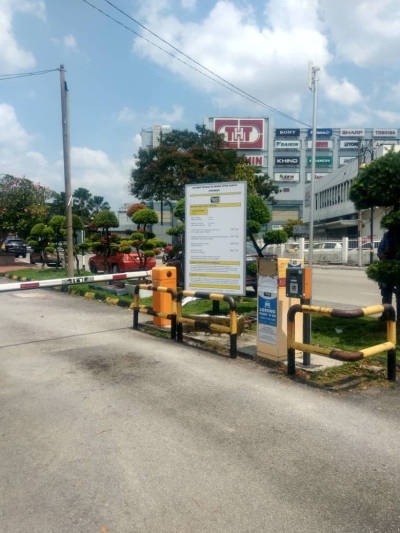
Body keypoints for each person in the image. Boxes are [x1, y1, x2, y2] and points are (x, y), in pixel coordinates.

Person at [377, 229, 399, 320]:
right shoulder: (387, 235)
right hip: (387, 268)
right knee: (385, 293)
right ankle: (386, 315)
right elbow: (380, 250)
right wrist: (382, 254)